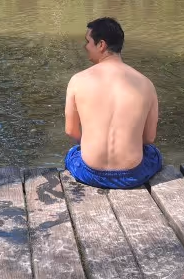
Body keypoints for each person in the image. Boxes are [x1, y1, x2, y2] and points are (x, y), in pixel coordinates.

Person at [64, 17, 162, 189]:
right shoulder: (146, 84)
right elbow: (149, 138)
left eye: (88, 42)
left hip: (90, 173)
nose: (85, 47)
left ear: (101, 45)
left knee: (73, 153)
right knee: (153, 153)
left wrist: (90, 143)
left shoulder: (77, 81)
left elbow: (71, 131)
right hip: (133, 175)